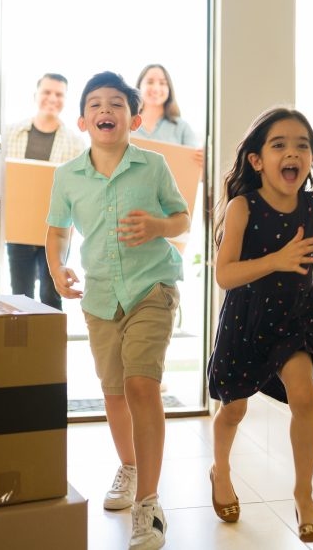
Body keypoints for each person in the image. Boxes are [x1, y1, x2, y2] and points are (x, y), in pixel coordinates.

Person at [205, 107, 313, 543]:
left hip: (295, 317)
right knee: (234, 409)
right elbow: (224, 276)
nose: (292, 152)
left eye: (302, 145)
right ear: (257, 160)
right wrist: (276, 261)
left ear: (311, 158)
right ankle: (220, 471)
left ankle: (302, 494)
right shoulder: (243, 207)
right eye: (279, 144)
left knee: (303, 398)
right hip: (247, 320)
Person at [45, 71, 189, 550]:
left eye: (116, 104)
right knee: (112, 392)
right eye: (96, 105)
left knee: (140, 384)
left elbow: (183, 217)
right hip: (102, 296)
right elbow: (58, 230)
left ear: (135, 117)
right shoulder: (67, 175)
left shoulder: (153, 166)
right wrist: (55, 265)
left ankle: (148, 504)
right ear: (84, 121)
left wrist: (157, 226)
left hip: (152, 288)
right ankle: (128, 468)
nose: (106, 110)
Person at [3, 73, 85, 309]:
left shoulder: (75, 143)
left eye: (59, 94)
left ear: (66, 100)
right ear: (35, 95)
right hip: (19, 231)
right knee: (20, 296)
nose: (52, 98)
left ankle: (51, 345)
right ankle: (24, 345)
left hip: (56, 231)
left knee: (51, 293)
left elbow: (78, 190)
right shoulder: (11, 133)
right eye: (47, 92)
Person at [133, 63, 203, 168]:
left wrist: (203, 163)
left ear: (169, 89)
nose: (156, 88)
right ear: (139, 87)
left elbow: (195, 172)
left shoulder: (182, 127)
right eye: (150, 82)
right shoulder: (125, 125)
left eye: (162, 83)